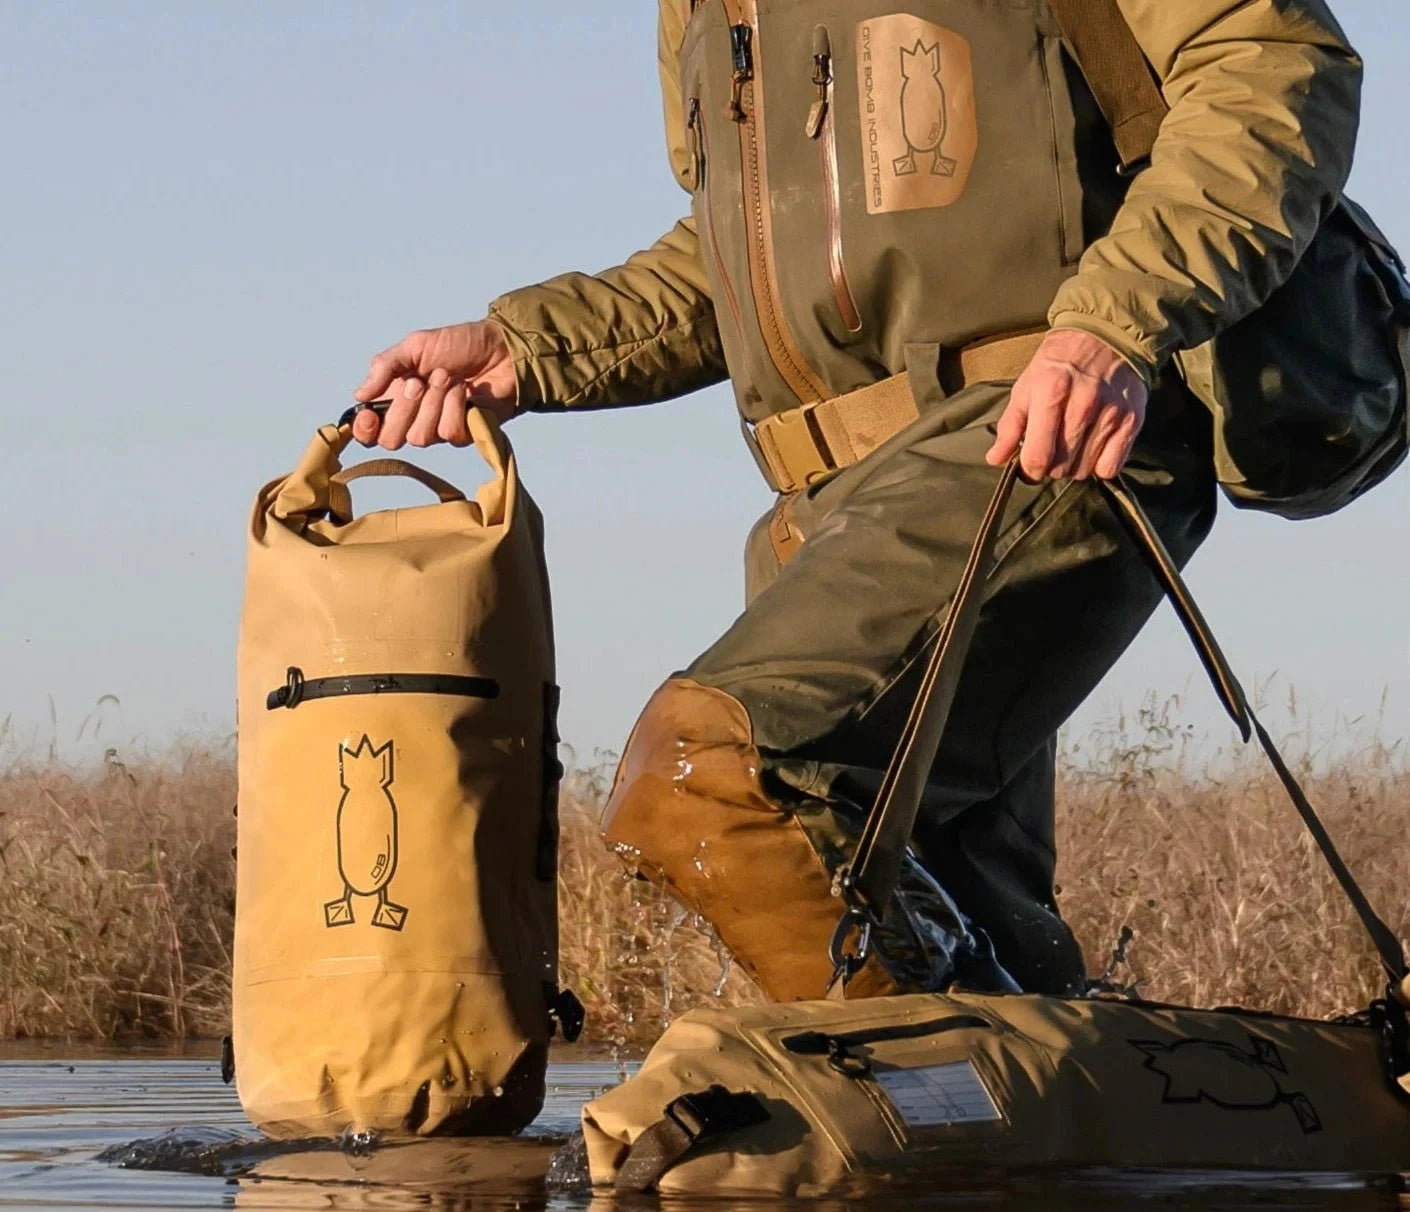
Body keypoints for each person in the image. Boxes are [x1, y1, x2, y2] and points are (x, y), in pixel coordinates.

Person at [351, 0, 1361, 1002]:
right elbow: (741, 258)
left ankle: (935, 1079)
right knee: (934, 906)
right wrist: (531, 348)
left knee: (718, 774)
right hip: (824, 507)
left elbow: (1271, 69)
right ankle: (1025, 1107)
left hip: (1028, 445)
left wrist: (1116, 323)